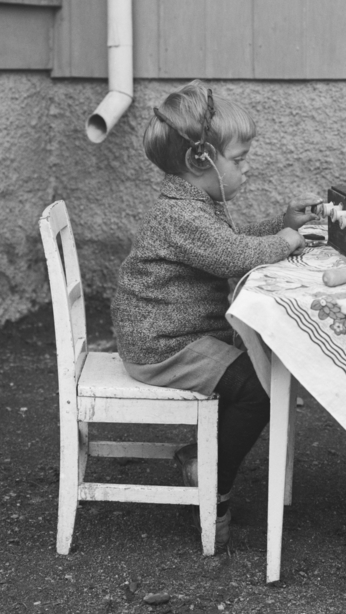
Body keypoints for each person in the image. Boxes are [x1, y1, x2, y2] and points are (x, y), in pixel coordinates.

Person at [112, 80, 320, 548]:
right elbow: (230, 256)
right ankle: (211, 483)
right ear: (200, 160)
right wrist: (288, 243)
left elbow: (232, 244)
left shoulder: (195, 205)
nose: (247, 169)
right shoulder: (180, 216)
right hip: (165, 346)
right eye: (240, 159)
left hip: (178, 334)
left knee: (261, 372)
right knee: (257, 391)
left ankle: (201, 457)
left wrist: (281, 225)